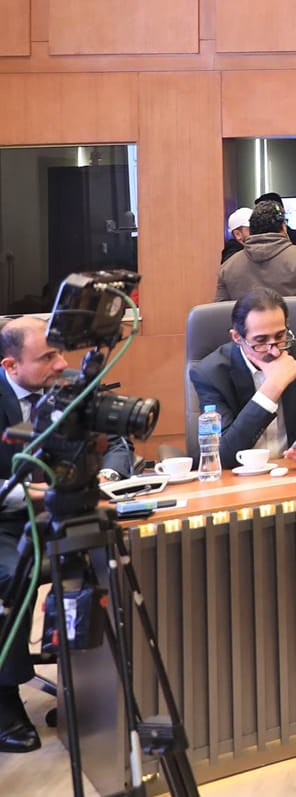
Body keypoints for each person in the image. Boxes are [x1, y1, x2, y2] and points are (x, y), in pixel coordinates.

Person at [0, 315, 133, 752]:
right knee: (15, 577)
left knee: (108, 563)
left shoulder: (68, 385)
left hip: (69, 507)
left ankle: (88, 692)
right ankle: (5, 698)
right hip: (6, 521)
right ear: (10, 366)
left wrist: (105, 476)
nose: (61, 364)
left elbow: (116, 442)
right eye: (47, 357)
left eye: (59, 352)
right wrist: (41, 494)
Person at [188, 288, 296, 468]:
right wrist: (271, 389)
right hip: (240, 477)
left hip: (295, 471)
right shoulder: (210, 373)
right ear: (237, 337)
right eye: (261, 341)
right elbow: (219, 456)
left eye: (280, 336)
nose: (275, 351)